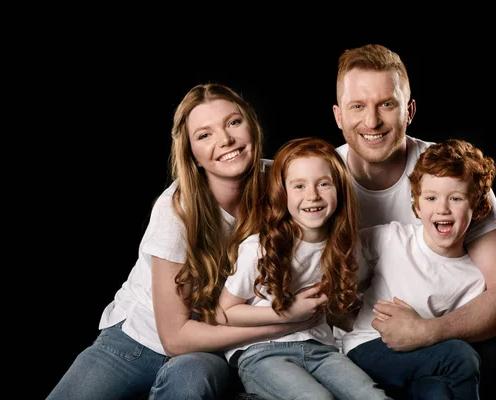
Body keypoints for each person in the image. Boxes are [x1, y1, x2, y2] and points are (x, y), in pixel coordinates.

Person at [46, 83, 322, 400]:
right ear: (194, 155)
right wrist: (286, 323)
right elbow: (174, 337)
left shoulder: (288, 182)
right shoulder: (176, 210)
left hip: (210, 348)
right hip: (137, 342)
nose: (226, 140)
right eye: (205, 135)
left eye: (233, 122)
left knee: (191, 379)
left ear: (253, 126)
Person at [331, 43, 496, 399]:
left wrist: (427, 332)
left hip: (439, 329)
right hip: (366, 339)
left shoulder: (446, 171)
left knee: (490, 347)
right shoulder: (322, 180)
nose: (372, 121)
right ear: (338, 116)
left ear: (409, 111)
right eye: (357, 106)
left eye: (386, 104)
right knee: (453, 362)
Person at [216, 137, 391, 400]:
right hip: (262, 351)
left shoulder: (346, 246)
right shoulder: (259, 248)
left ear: (339, 189)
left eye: (323, 184)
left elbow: (346, 308)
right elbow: (223, 313)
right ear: (282, 192)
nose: (313, 195)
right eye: (299, 186)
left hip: (320, 348)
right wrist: (288, 314)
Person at [345, 138, 496, 399]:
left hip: (424, 355)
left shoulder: (476, 276)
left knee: (439, 386)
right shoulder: (391, 239)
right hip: (369, 345)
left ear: (480, 207)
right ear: (416, 206)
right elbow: (338, 257)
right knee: (460, 358)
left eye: (456, 198)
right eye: (431, 198)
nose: (442, 208)